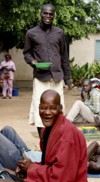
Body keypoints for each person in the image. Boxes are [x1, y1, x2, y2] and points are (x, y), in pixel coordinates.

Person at [0, 121, 100, 174]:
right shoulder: (79, 160)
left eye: (92, 162)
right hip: (28, 153)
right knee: (7, 130)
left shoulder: (79, 165)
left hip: (22, 161)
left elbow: (95, 144)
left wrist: (95, 152)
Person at [23, 4, 73, 137]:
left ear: (54, 16)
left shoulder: (59, 33)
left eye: (51, 14)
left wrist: (68, 79)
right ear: (41, 14)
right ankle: (43, 143)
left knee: (58, 109)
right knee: (41, 109)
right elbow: (26, 53)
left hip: (57, 77)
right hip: (40, 77)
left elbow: (64, 56)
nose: (48, 16)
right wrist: (33, 62)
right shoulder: (31, 33)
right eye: (45, 13)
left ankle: (56, 140)